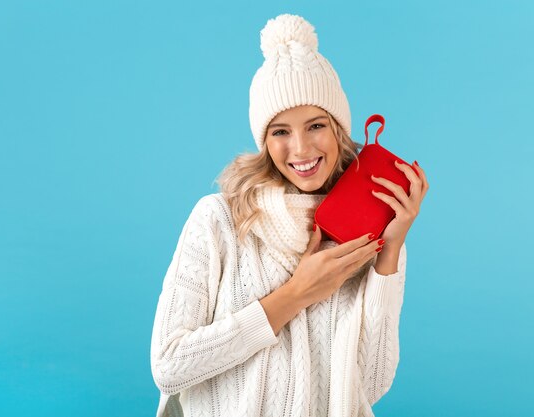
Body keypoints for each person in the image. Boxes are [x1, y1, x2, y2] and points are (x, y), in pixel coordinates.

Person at [150, 13, 429, 417]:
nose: (299, 149)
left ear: (339, 129)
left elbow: (371, 386)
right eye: (280, 131)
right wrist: (297, 294)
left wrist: (390, 252)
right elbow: (169, 366)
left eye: (315, 125)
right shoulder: (220, 220)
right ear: (264, 141)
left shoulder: (371, 237)